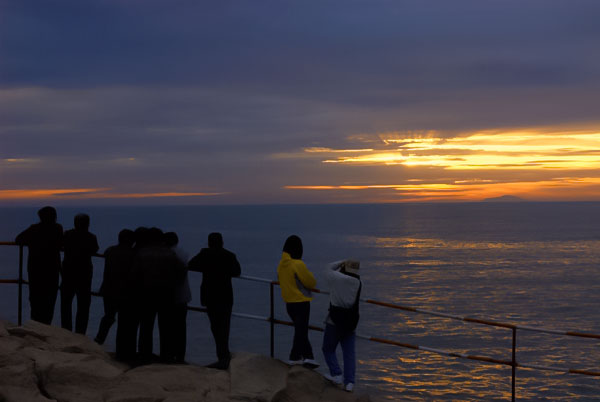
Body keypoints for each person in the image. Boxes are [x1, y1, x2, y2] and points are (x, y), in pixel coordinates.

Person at [132, 227, 186, 364]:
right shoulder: (170, 254)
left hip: (146, 293)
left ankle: (145, 355)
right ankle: (165, 356)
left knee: (146, 326)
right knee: (166, 326)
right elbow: (181, 272)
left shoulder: (142, 253)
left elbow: (134, 274)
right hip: (166, 294)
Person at [188, 232, 241, 370]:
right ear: (222, 242)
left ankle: (222, 354)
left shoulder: (205, 255)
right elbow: (237, 272)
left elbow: (191, 265)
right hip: (225, 296)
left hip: (210, 297)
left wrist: (203, 253)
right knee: (225, 326)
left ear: (209, 242)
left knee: (215, 326)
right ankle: (224, 354)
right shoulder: (229, 256)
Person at [15, 206, 63, 325]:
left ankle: (35, 326)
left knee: (35, 300)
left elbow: (18, 239)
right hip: (52, 270)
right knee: (50, 301)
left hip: (35, 270)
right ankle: (46, 327)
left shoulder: (34, 229)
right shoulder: (57, 228)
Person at [276, 235, 319, 368]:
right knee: (301, 331)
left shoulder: (281, 265)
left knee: (301, 330)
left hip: (289, 303)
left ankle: (309, 357)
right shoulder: (298, 264)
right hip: (301, 302)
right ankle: (294, 356)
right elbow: (311, 282)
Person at [321, 259, 362, 392]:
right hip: (351, 322)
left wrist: (341, 262)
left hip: (334, 320)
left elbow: (327, 267)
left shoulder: (337, 278)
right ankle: (349, 382)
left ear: (344, 268)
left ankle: (336, 373)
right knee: (349, 353)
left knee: (328, 349)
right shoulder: (357, 282)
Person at [94, 229, 135, 345]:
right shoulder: (132, 254)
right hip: (124, 291)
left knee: (108, 317)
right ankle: (121, 345)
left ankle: (99, 339)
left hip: (108, 289)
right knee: (124, 320)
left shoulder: (110, 250)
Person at [60, 213, 100, 334]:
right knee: (83, 305)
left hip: (68, 272)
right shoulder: (91, 237)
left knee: (66, 304)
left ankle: (66, 331)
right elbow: (95, 249)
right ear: (87, 223)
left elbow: (61, 245)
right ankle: (80, 333)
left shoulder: (67, 235)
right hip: (84, 273)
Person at [162, 231, 192, 363]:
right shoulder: (184, 253)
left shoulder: (165, 254)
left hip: (168, 295)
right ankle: (180, 356)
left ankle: (167, 354)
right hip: (183, 296)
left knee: (166, 326)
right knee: (181, 327)